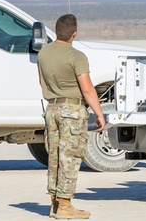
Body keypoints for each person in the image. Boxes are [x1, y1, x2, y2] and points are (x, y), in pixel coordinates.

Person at [37, 14, 105, 219]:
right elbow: (87, 89)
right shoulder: (77, 56)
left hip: (51, 109)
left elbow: (42, 82)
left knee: (55, 157)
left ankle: (55, 203)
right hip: (71, 111)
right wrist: (99, 114)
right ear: (74, 34)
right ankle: (65, 205)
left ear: (57, 31)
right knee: (70, 157)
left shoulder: (44, 53)